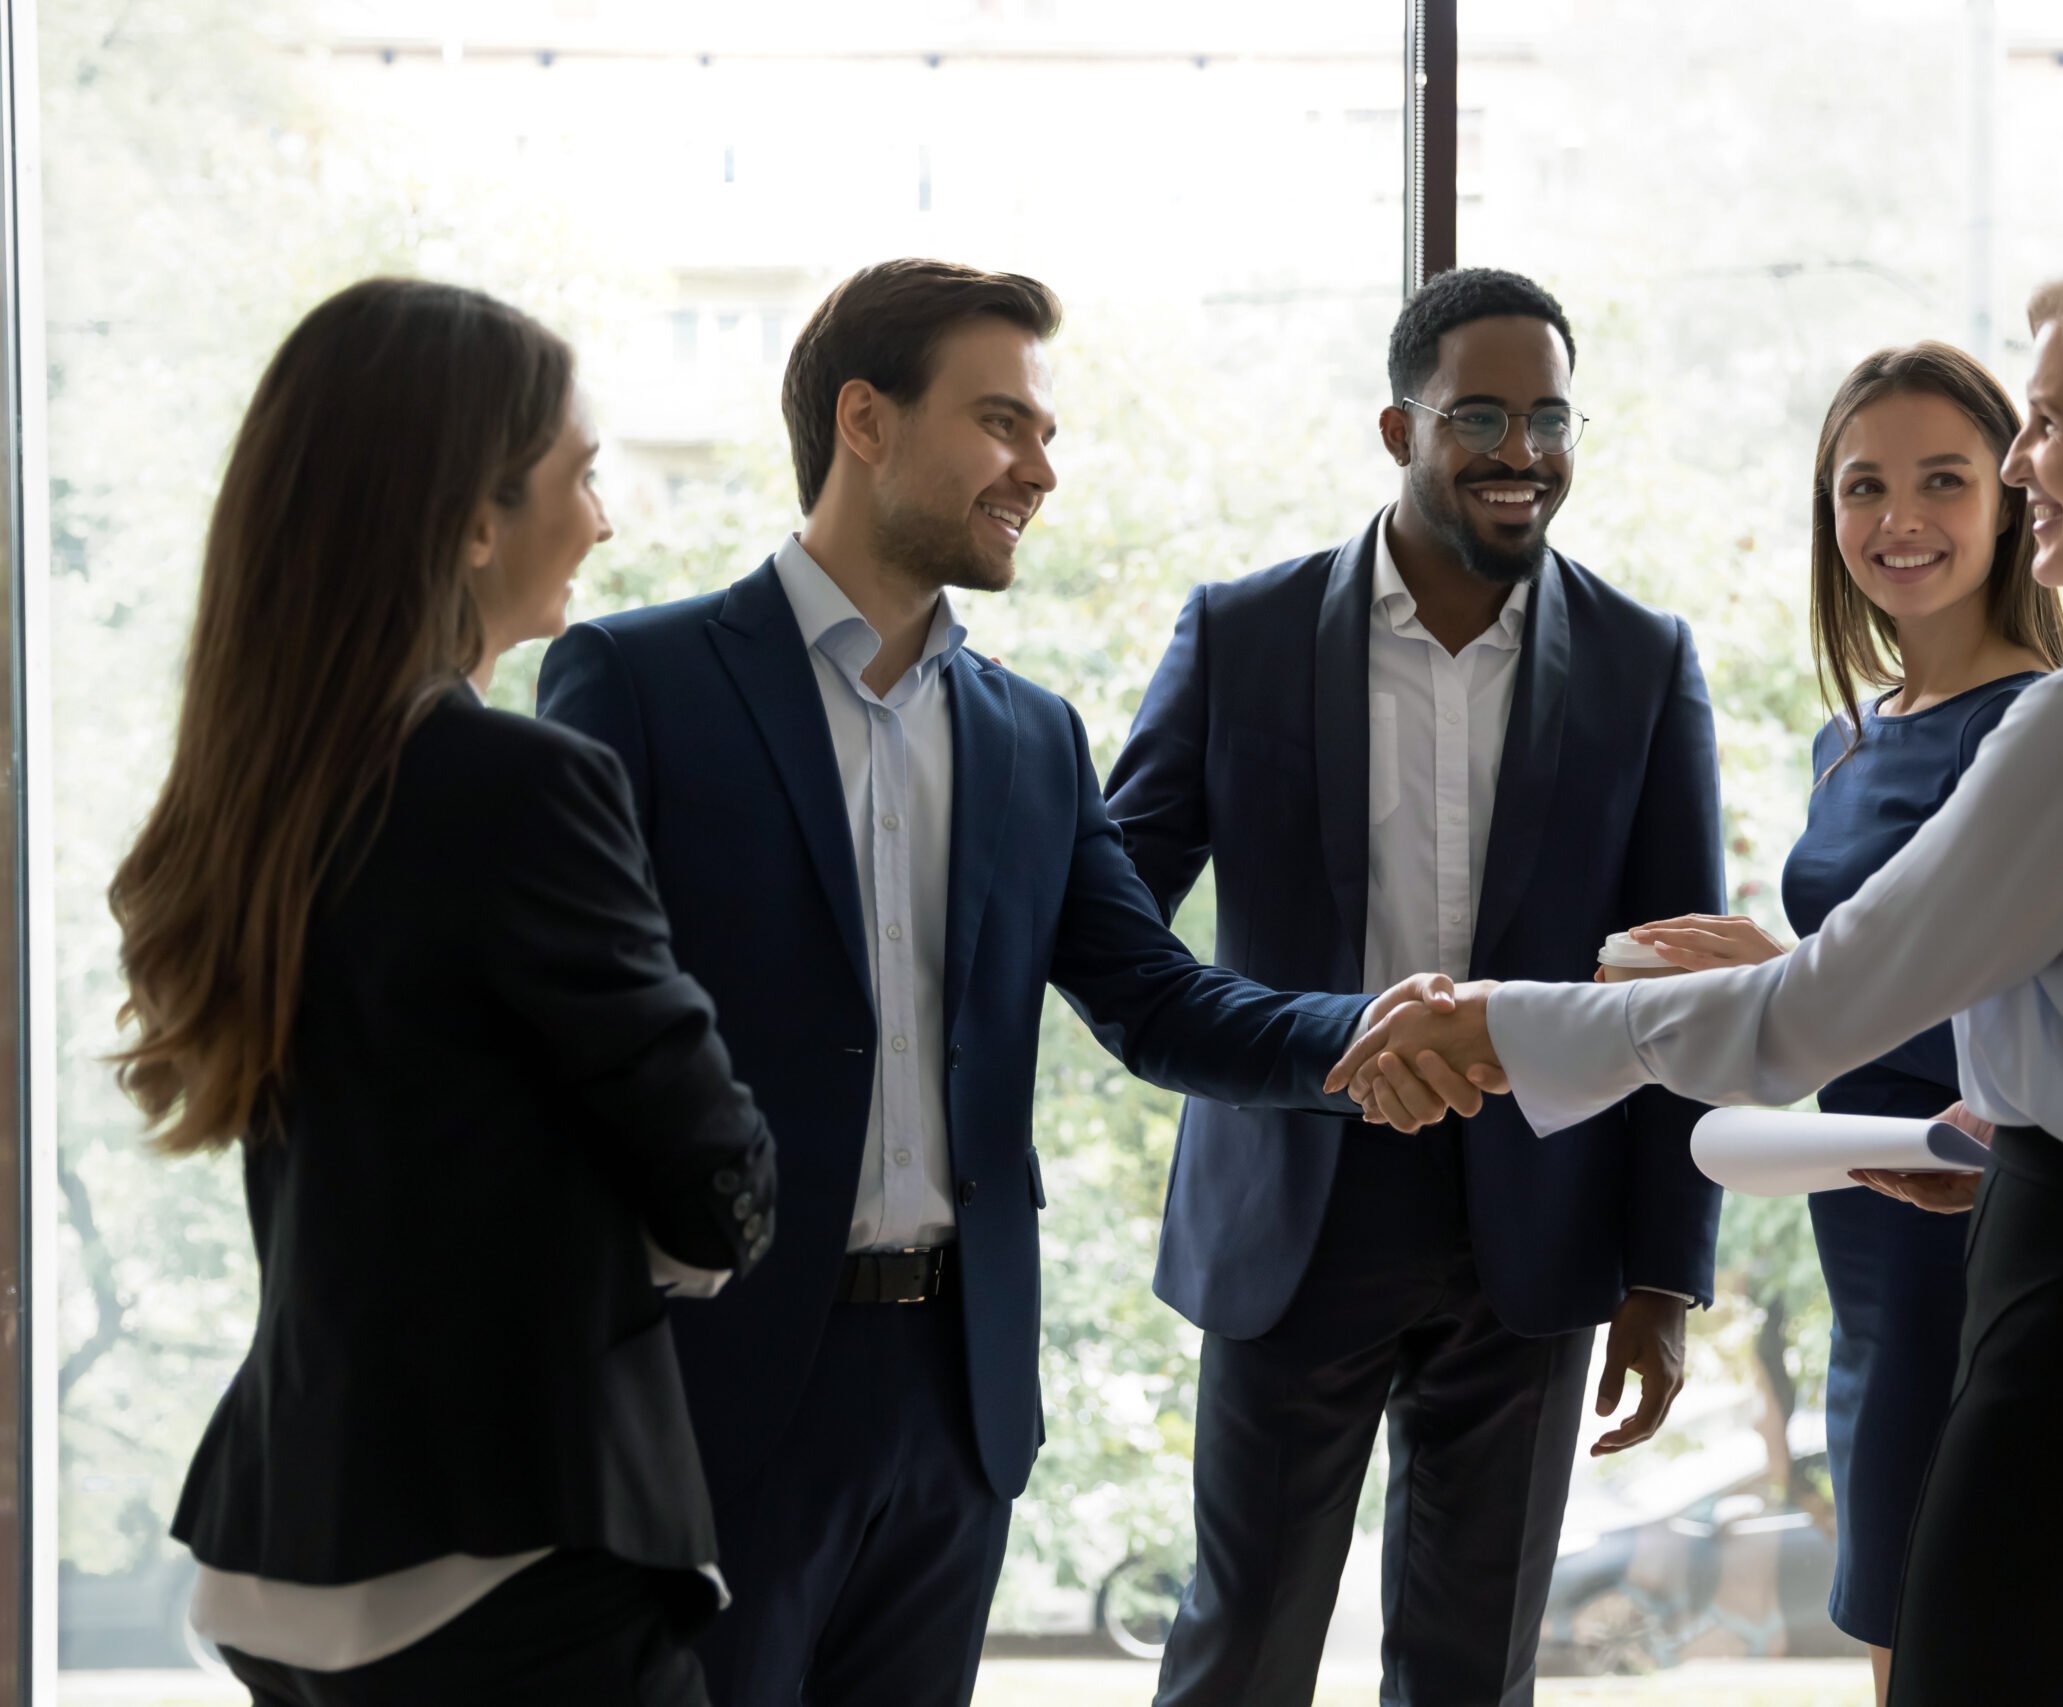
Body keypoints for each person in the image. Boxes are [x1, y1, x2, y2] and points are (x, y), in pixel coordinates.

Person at [1329, 232, 2063, 1707]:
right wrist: (2019, 1128)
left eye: (2046, 421)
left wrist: (1492, 1027)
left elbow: (1808, 1012)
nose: (2025, 462)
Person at [536, 258, 1462, 1707]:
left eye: (1042, 433)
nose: (1040, 468)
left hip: (952, 1402)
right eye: (1003, 424)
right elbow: (566, 1040)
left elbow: (1153, 1000)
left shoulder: (1032, 736)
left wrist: (1366, 1035)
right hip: (711, 1386)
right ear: (865, 420)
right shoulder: (635, 681)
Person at [109, 277, 778, 1707]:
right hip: (506, 1551)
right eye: (581, 475)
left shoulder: (250, 802)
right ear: (476, 519)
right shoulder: (516, 783)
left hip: (285, 1544)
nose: (605, 519)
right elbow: (720, 1182)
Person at [1105, 266, 1725, 1707]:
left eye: (1553, 418)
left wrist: (1662, 1273)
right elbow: (1112, 918)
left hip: (1538, 1223)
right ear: (1400, 427)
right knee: (1239, 1642)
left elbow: (1675, 988)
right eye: (1484, 417)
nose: (1524, 454)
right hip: (1295, 1209)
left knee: (1470, 1668)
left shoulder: (1644, 662)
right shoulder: (1240, 636)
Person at [1630, 342, 2063, 1702]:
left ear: (2008, 503)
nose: (1900, 519)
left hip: (1991, 1236)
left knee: (1985, 1624)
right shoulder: (1853, 739)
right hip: (1869, 1258)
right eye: (1862, 486)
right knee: (1895, 1620)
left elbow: (2049, 1017)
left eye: (1944, 480)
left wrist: (1790, 973)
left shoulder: (2054, 727)